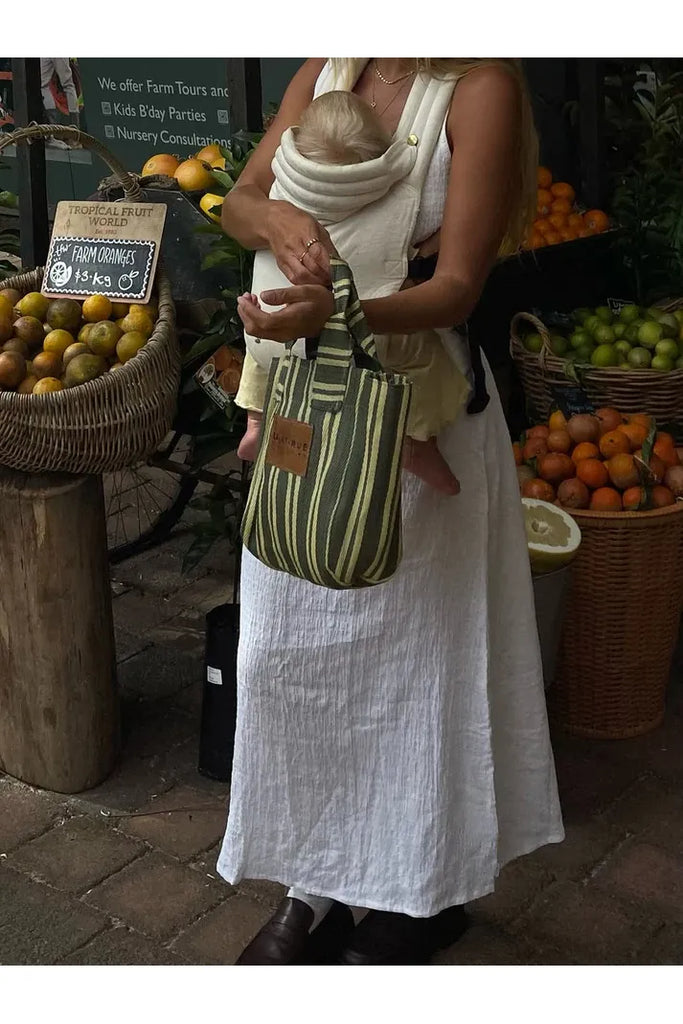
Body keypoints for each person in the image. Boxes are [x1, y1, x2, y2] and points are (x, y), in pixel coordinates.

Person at [217, 58, 564, 967]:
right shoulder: (329, 62)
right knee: (286, 653)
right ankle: (312, 881)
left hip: (418, 412)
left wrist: (331, 316)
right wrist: (282, 219)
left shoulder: (479, 84)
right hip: (301, 411)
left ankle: (418, 889)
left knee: (413, 668)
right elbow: (237, 200)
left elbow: (455, 290)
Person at [236, 89, 471, 495]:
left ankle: (257, 420)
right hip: (377, 346)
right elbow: (430, 269)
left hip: (268, 326)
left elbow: (235, 206)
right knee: (426, 363)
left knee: (261, 358)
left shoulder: (279, 193)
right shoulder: (392, 200)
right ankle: (417, 444)